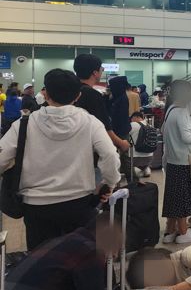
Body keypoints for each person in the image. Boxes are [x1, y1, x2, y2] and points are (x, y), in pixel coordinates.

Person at [0, 69, 119, 250]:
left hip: (37, 208)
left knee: (43, 266)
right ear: (78, 95)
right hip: (79, 204)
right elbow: (110, 154)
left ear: (45, 93)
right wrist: (109, 182)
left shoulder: (24, 124)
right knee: (78, 262)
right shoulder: (90, 122)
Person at [162, 79, 191, 244]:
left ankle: (170, 231)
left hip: (172, 160)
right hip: (182, 160)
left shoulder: (171, 109)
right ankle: (184, 232)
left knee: (173, 197)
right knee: (182, 197)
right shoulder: (181, 112)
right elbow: (187, 138)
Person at [73, 54, 131, 162]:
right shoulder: (93, 95)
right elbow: (104, 127)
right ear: (95, 73)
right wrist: (121, 143)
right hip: (90, 151)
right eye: (101, 69)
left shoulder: (70, 92)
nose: (102, 71)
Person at [129, 111, 154, 178]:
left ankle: (135, 170)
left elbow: (126, 137)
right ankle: (146, 169)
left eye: (131, 118)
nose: (131, 120)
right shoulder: (150, 126)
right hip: (149, 157)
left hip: (135, 158)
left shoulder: (133, 124)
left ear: (136, 117)